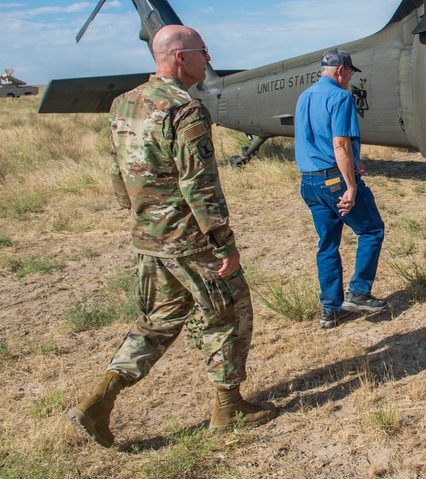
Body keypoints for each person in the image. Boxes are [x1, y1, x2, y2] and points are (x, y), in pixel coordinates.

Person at [66, 24, 275, 448]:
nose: (209, 60)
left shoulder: (123, 104)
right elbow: (199, 184)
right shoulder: (185, 108)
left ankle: (100, 399)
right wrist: (223, 243)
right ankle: (229, 405)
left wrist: (145, 213)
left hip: (148, 237)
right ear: (181, 57)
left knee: (159, 320)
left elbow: (118, 175)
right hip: (189, 240)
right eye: (203, 52)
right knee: (231, 312)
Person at [295, 48, 387, 328]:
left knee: (327, 244)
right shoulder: (340, 97)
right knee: (371, 230)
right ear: (340, 71)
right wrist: (350, 185)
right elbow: (340, 144)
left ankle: (330, 310)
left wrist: (352, 163)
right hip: (334, 180)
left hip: (309, 180)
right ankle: (359, 292)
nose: (350, 79)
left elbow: (315, 139)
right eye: (349, 73)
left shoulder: (305, 96)